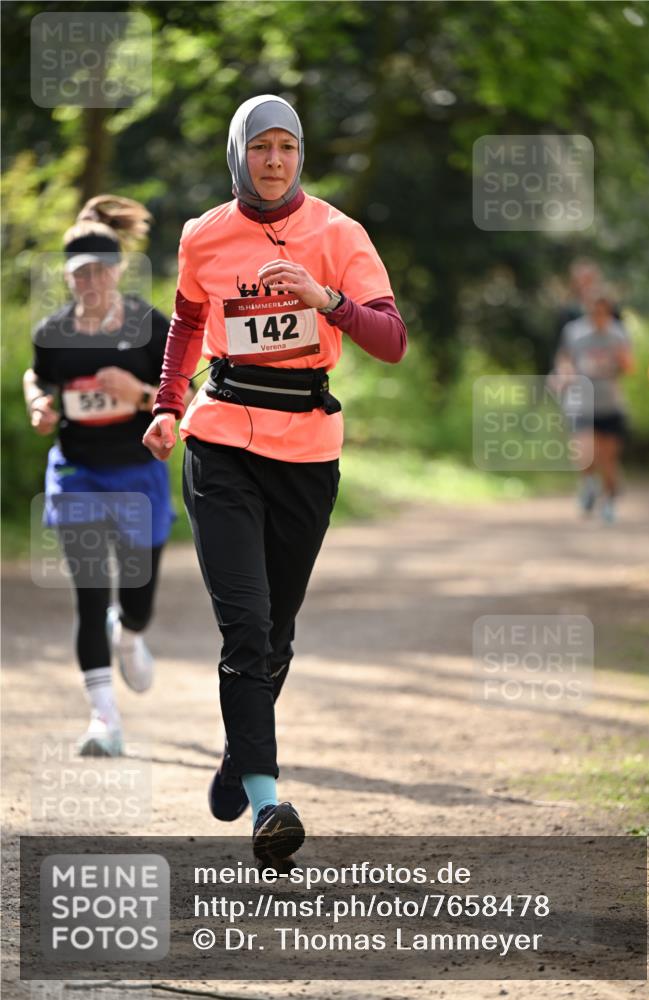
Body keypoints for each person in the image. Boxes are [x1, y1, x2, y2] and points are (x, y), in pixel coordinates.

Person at [143, 94, 407, 862]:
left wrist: (326, 300)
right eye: (260, 146)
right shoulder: (203, 235)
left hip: (307, 451)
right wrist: (167, 405)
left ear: (301, 156)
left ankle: (237, 754)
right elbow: (188, 324)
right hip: (220, 439)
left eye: (287, 147)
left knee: (277, 633)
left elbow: (390, 340)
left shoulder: (338, 233)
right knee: (247, 625)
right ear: (239, 153)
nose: (273, 160)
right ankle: (267, 801)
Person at [24, 196, 180, 756]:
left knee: (136, 599)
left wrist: (136, 393)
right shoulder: (52, 333)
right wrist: (39, 404)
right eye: (79, 273)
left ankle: (132, 634)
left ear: (117, 271)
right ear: (68, 277)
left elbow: (181, 397)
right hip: (79, 474)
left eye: (99, 270)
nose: (90, 281)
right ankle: (103, 720)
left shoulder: (150, 327)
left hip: (139, 475)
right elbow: (36, 378)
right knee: (90, 595)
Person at [554, 296, 634, 523]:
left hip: (610, 403)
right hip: (581, 401)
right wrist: (564, 374)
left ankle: (609, 503)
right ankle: (589, 485)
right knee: (583, 453)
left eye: (603, 312)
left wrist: (622, 358)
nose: (598, 317)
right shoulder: (574, 332)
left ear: (608, 312)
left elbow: (629, 366)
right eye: (594, 312)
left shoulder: (618, 333)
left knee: (608, 459)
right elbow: (564, 359)